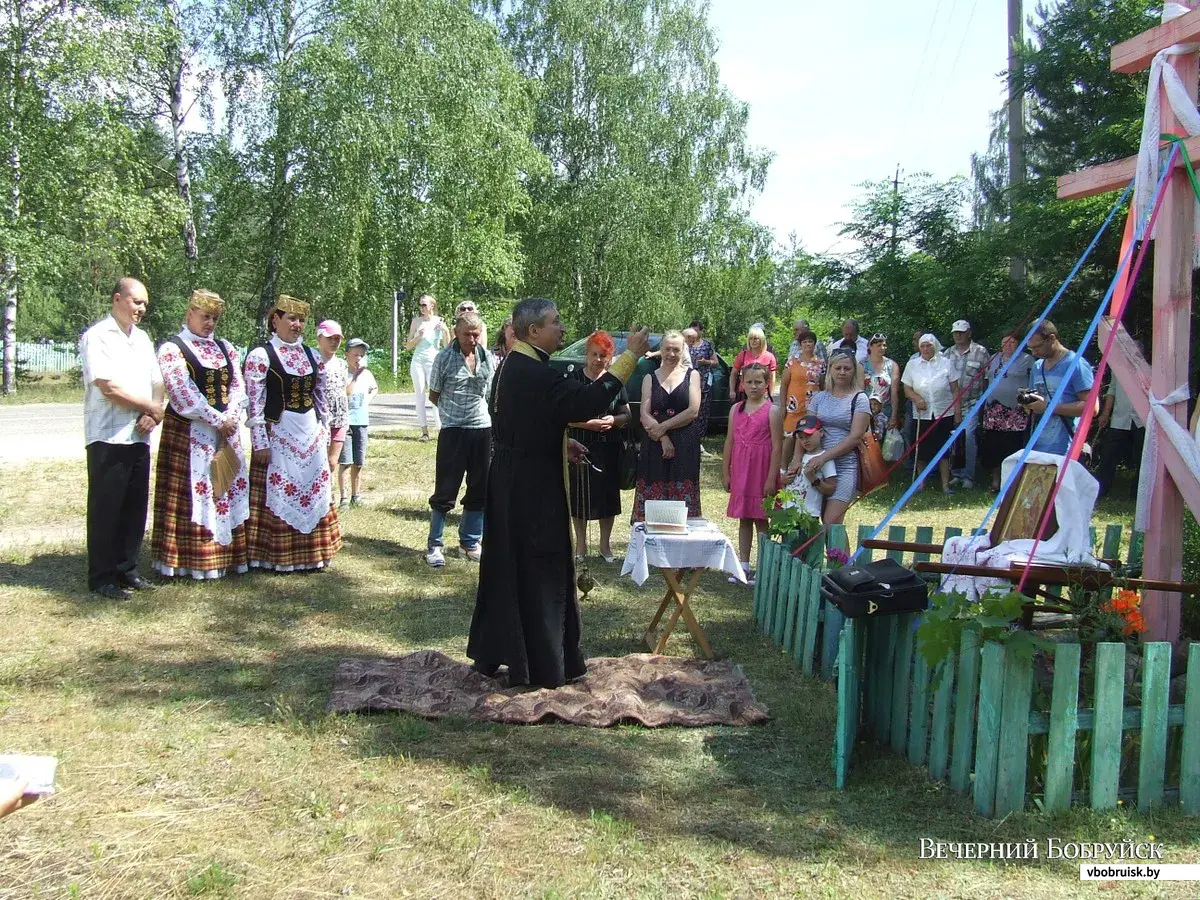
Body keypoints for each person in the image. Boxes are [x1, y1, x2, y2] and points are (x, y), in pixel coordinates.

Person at [468, 298, 649, 688]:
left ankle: (502, 654)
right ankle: (542, 662)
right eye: (556, 322)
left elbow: (523, 422)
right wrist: (630, 356)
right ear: (533, 331)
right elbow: (586, 401)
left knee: (509, 566)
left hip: (512, 478)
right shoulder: (532, 371)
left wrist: (558, 442)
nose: (563, 329)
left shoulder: (513, 365)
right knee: (540, 567)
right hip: (531, 488)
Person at [151, 289, 250, 580]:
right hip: (190, 430)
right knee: (195, 492)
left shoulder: (225, 347)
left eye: (215, 318)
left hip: (225, 431)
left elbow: (237, 385)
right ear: (189, 313)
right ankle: (189, 560)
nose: (210, 323)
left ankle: (226, 557)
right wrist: (217, 419)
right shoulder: (173, 349)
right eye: (205, 316)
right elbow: (182, 393)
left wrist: (231, 415)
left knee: (225, 485)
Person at [80, 276, 165, 599]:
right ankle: (101, 577)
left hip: (139, 435)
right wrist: (152, 408)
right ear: (117, 299)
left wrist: (151, 411)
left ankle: (127, 569)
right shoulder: (98, 337)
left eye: (144, 303)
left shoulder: (142, 339)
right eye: (135, 302)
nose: (141, 308)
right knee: (107, 507)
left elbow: (156, 381)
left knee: (133, 507)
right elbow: (108, 387)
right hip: (108, 435)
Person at [243, 295, 342, 571]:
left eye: (301, 320)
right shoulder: (261, 356)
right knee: (281, 488)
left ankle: (313, 553)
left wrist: (324, 431)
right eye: (291, 319)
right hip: (279, 431)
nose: (297, 325)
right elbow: (254, 402)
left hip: (309, 431)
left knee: (313, 488)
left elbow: (321, 396)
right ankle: (277, 557)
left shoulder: (311, 355)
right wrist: (260, 441)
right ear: (275, 320)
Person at [425, 313, 494, 566]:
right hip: (453, 429)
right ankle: (435, 544)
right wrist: (453, 411)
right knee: (446, 488)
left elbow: (489, 393)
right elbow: (434, 394)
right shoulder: (444, 358)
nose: (472, 339)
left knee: (480, 487)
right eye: (467, 334)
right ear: (456, 333)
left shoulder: (487, 357)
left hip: (482, 429)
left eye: (476, 334)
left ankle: (470, 542)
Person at [567, 331, 631, 563]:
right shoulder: (574, 380)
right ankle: (581, 546)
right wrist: (590, 424)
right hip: (578, 447)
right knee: (578, 497)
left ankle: (605, 546)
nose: (598, 360)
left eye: (603, 355)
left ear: (610, 357)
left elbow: (626, 414)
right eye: (594, 354)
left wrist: (614, 421)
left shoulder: (615, 381)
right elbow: (565, 416)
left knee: (607, 498)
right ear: (586, 355)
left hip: (608, 447)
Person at [722, 364, 782, 584]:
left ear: (767, 384)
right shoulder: (735, 409)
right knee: (744, 518)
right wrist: (725, 472)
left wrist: (770, 479)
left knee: (761, 519)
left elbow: (777, 447)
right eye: (749, 382)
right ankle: (743, 566)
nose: (754, 386)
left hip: (761, 470)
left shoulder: (772, 411)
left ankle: (763, 566)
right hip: (741, 470)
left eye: (758, 382)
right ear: (742, 384)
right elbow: (730, 441)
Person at [634, 331, 703, 520]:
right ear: (661, 350)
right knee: (652, 506)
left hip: (685, 445)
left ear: (683, 351)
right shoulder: (649, 377)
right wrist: (663, 437)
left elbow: (693, 411)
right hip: (654, 444)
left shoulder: (693, 375)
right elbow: (644, 414)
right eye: (667, 349)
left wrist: (663, 427)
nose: (671, 354)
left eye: (676, 350)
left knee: (683, 508)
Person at [804, 350, 873, 523]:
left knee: (831, 522)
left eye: (847, 368)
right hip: (818, 468)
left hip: (844, 467)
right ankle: (837, 552)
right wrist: (797, 459)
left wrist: (824, 457)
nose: (842, 372)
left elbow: (855, 437)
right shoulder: (819, 398)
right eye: (838, 368)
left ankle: (839, 552)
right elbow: (805, 430)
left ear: (853, 371)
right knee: (819, 521)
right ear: (830, 370)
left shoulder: (860, 399)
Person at [1022, 319, 1096, 456]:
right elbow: (1039, 406)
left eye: (1037, 347)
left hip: (1066, 450)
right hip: (1037, 448)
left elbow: (1092, 408)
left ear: (1051, 338)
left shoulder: (1076, 364)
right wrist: (1029, 405)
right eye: (1030, 348)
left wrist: (1049, 408)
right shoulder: (1037, 367)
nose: (1033, 353)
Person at [901, 334, 961, 494]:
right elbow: (906, 389)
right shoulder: (912, 365)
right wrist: (916, 398)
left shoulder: (947, 363)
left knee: (944, 449)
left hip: (943, 412)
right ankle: (921, 483)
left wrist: (957, 413)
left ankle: (945, 484)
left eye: (929, 346)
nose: (926, 349)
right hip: (922, 414)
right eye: (923, 346)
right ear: (919, 348)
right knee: (921, 450)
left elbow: (955, 390)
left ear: (935, 346)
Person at [979, 333, 1034, 491]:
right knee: (994, 446)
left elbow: (1032, 383)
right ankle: (996, 482)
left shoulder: (1027, 360)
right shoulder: (994, 358)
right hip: (994, 410)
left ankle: (1012, 483)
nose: (1008, 345)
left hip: (1016, 411)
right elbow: (986, 379)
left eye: (1012, 342)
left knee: (1012, 445)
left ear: (1019, 344)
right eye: (1005, 343)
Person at [943, 319, 990, 489]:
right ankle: (957, 474)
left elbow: (987, 379)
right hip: (951, 404)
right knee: (955, 438)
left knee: (969, 437)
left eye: (961, 332)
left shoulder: (981, 352)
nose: (958, 336)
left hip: (972, 402)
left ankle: (969, 476)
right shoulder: (947, 354)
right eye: (955, 333)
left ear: (969, 333)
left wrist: (984, 402)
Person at [779, 329, 825, 474]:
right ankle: (782, 469)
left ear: (814, 344)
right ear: (800, 344)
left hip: (812, 405)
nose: (808, 344)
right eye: (804, 342)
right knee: (790, 436)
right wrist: (782, 406)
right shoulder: (793, 361)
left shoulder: (820, 362)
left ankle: (804, 469)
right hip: (794, 404)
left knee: (809, 436)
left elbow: (823, 385)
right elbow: (784, 384)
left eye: (810, 341)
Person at [340, 338, 378, 506]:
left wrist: (367, 400)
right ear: (347, 354)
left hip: (361, 422)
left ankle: (356, 495)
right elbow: (346, 393)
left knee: (359, 461)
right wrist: (355, 376)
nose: (358, 358)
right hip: (346, 423)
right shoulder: (342, 373)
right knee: (345, 462)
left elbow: (375, 388)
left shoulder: (367, 374)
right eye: (355, 355)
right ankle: (343, 497)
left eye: (361, 355)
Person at [406, 293, 449, 441]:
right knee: (419, 394)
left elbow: (447, 345)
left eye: (424, 304)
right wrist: (418, 336)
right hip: (418, 360)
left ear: (432, 306)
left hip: (433, 360)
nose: (422, 307)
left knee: (435, 394)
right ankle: (424, 431)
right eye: (420, 304)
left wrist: (445, 330)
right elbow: (408, 346)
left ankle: (440, 429)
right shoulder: (416, 321)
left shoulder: (439, 321)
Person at [1095, 371, 1145, 499]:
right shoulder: (1118, 364)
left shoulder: (1149, 366)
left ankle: (1138, 495)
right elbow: (1112, 390)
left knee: (1142, 458)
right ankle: (1100, 490)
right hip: (1120, 417)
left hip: (1142, 418)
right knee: (1108, 454)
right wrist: (1106, 413)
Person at [781, 415, 838, 520]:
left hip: (808, 514)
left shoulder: (824, 459)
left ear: (821, 433)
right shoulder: (797, 458)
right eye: (801, 438)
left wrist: (813, 479)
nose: (805, 441)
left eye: (809, 435)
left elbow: (831, 489)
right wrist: (784, 480)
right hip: (788, 510)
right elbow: (785, 482)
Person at [316, 320, 349, 475]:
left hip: (339, 418)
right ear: (319, 339)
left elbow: (344, 390)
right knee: (318, 460)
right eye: (330, 338)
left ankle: (329, 493)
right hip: (318, 418)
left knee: (332, 462)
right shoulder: (313, 361)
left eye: (337, 338)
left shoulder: (342, 364)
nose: (334, 342)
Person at [863, 332, 901, 440]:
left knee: (886, 447)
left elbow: (894, 392)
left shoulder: (892, 365)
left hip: (886, 411)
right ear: (870, 347)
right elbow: (859, 391)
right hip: (867, 411)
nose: (882, 348)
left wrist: (894, 416)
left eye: (884, 345)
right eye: (878, 345)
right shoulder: (861, 365)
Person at [684, 326, 718, 443]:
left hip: (703, 381)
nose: (695, 332)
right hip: (687, 381)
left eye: (697, 330)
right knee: (687, 407)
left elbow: (716, 362)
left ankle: (698, 439)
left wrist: (706, 362)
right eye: (693, 329)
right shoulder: (683, 344)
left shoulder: (707, 345)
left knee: (702, 410)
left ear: (702, 331)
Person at [730, 324, 776, 402]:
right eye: (750, 339)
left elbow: (772, 378)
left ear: (761, 340)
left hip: (763, 395)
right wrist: (732, 390)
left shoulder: (770, 357)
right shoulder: (742, 355)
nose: (753, 341)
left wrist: (770, 394)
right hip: (744, 394)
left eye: (756, 338)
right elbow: (733, 374)